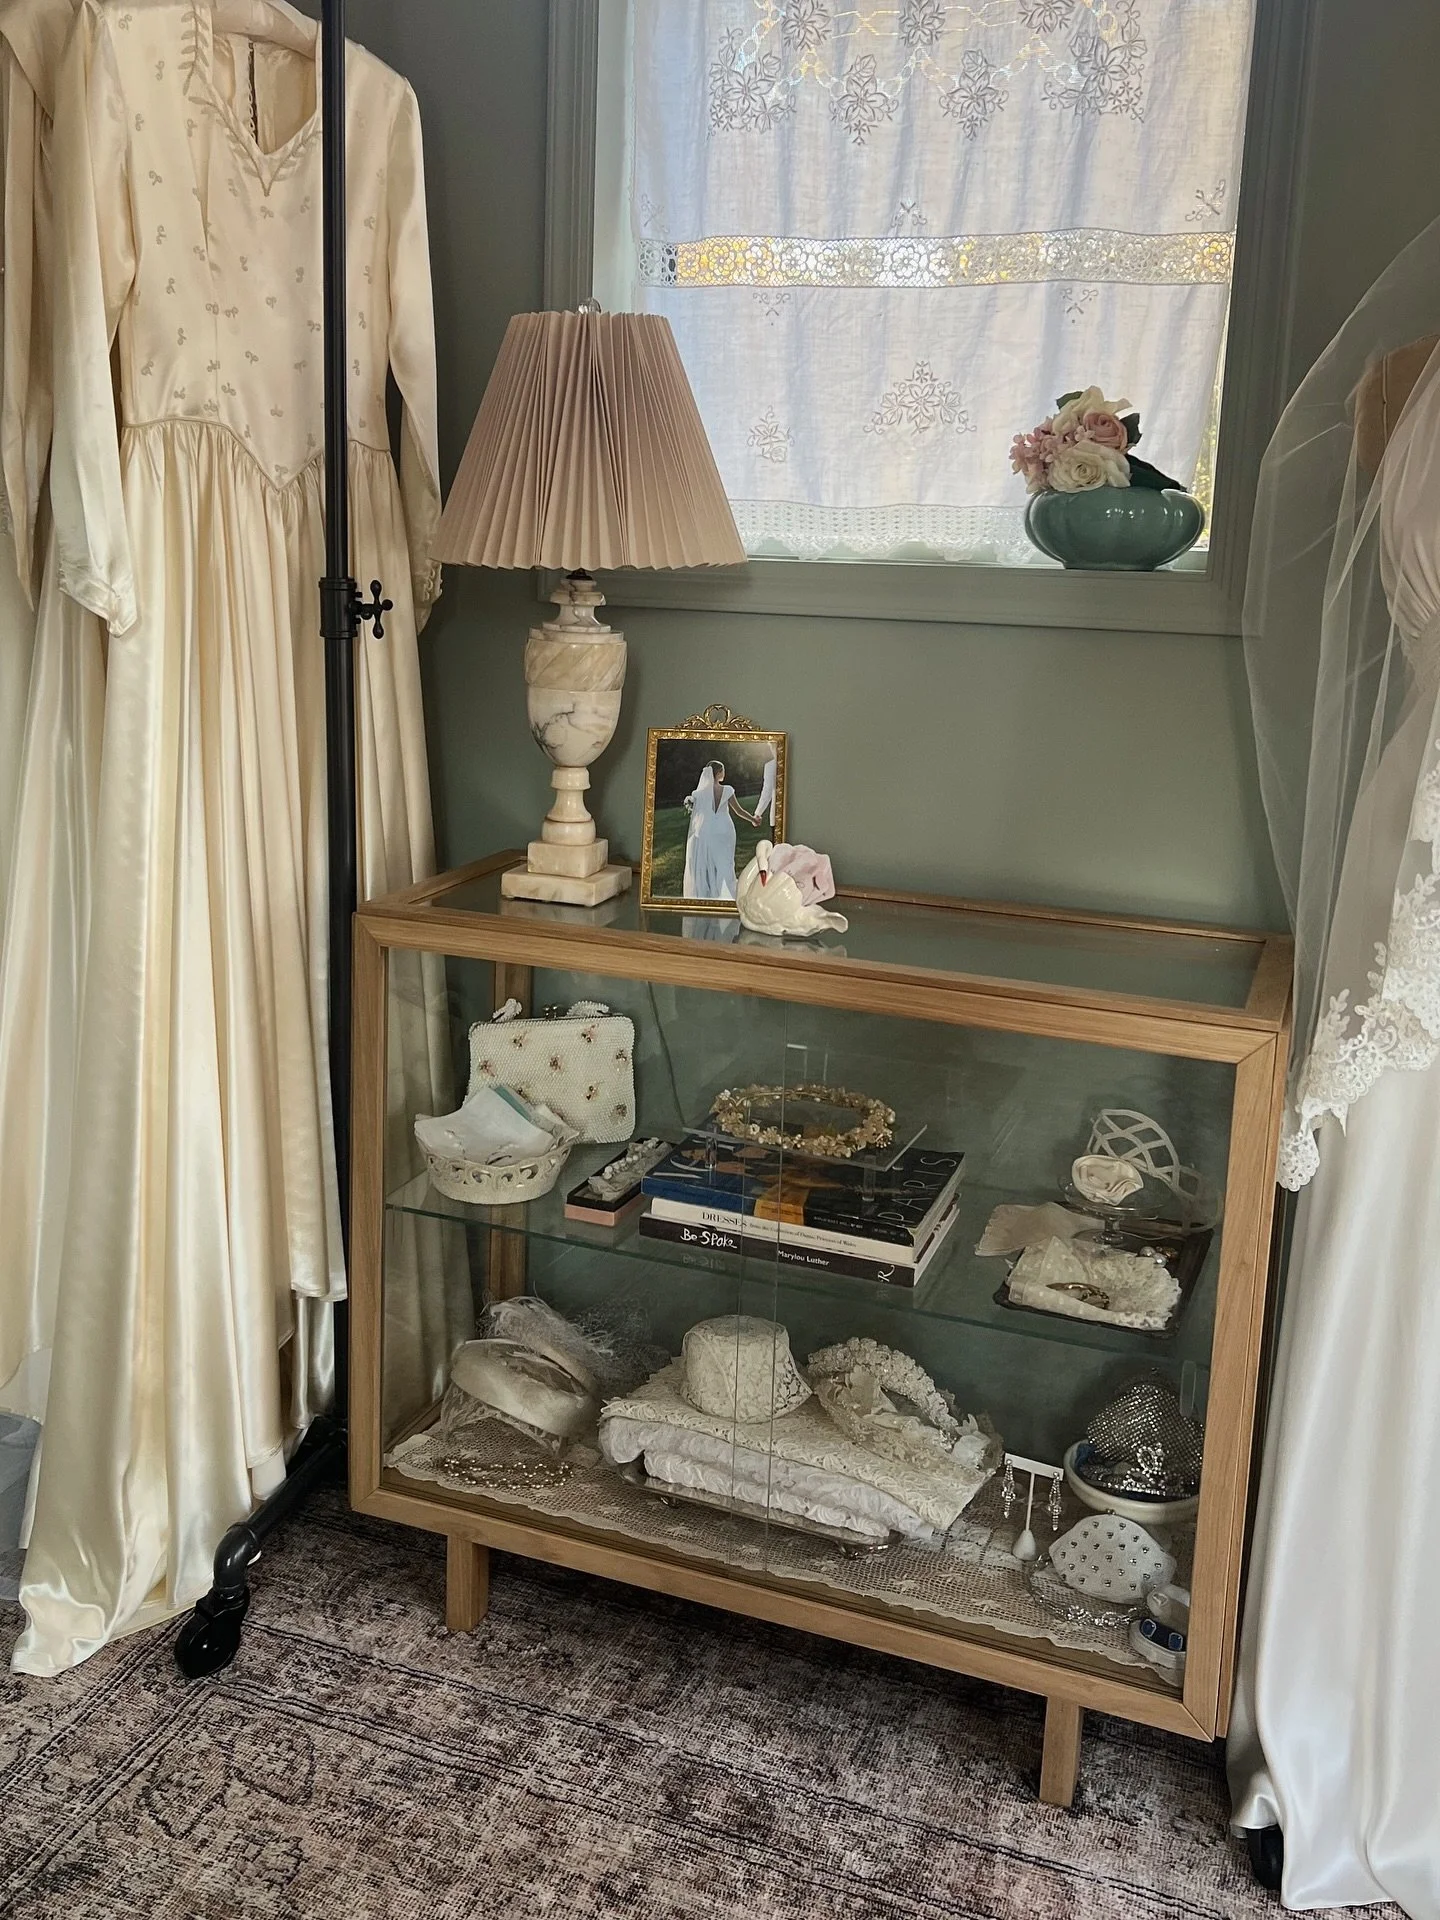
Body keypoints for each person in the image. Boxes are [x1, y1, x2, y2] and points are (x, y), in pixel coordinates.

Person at [681, 760, 758, 901]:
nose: (724, 773)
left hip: (708, 830)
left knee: (709, 862)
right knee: (726, 862)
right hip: (725, 829)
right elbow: (739, 811)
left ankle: (712, 893)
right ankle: (727, 893)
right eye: (723, 770)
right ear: (718, 773)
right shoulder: (727, 790)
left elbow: (697, 817)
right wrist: (753, 819)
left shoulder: (697, 794)